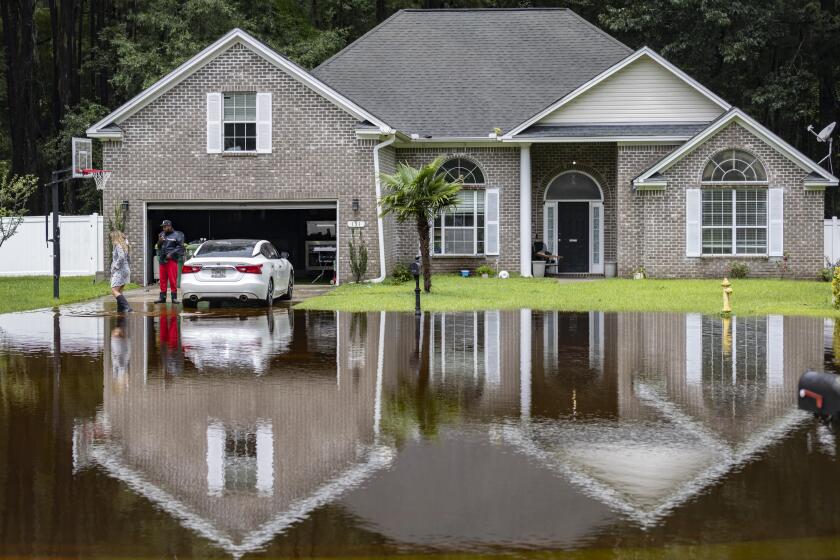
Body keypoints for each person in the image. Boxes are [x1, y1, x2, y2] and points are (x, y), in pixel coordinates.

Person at [155, 219, 185, 304]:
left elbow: (180, 247)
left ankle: (174, 298)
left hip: (171, 260)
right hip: (162, 259)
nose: (164, 228)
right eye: (163, 227)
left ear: (170, 226)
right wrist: (159, 242)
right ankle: (162, 298)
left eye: (165, 226)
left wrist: (171, 254)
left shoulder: (177, 235)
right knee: (163, 279)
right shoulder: (161, 234)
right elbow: (159, 246)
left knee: (172, 279)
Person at [110, 230, 132, 312]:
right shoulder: (124, 245)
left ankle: (126, 307)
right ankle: (121, 309)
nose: (111, 239)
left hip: (120, 271)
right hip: (125, 270)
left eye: (112, 237)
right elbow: (128, 258)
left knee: (114, 290)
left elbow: (121, 257)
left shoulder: (118, 245)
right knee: (119, 291)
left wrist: (116, 266)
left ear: (115, 236)